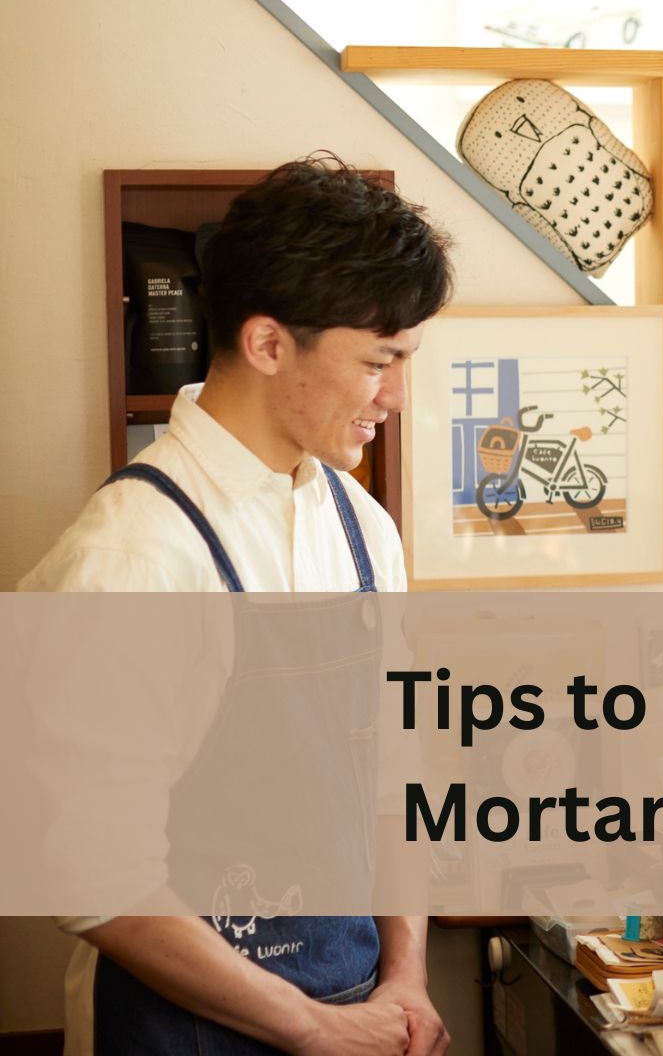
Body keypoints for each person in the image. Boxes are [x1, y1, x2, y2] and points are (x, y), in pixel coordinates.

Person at [20, 156, 454, 1055]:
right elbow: (98, 883)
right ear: (266, 344)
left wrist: (406, 977)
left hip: (355, 1014)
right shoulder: (133, 556)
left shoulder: (364, 530)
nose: (399, 396)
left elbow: (394, 785)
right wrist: (310, 1030)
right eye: (381, 361)